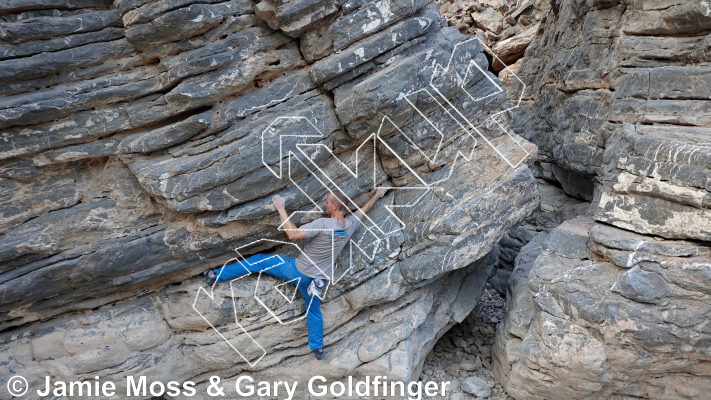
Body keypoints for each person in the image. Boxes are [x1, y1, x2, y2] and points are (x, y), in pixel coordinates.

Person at [203, 189, 387, 360]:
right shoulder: (349, 225)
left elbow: (292, 234)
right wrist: (377, 195)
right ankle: (318, 348)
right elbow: (364, 210)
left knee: (257, 261)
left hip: (297, 270)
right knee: (313, 310)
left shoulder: (324, 223)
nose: (324, 204)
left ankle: (215, 275)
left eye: (327, 202)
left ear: (335, 206)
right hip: (316, 281)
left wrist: (281, 208)